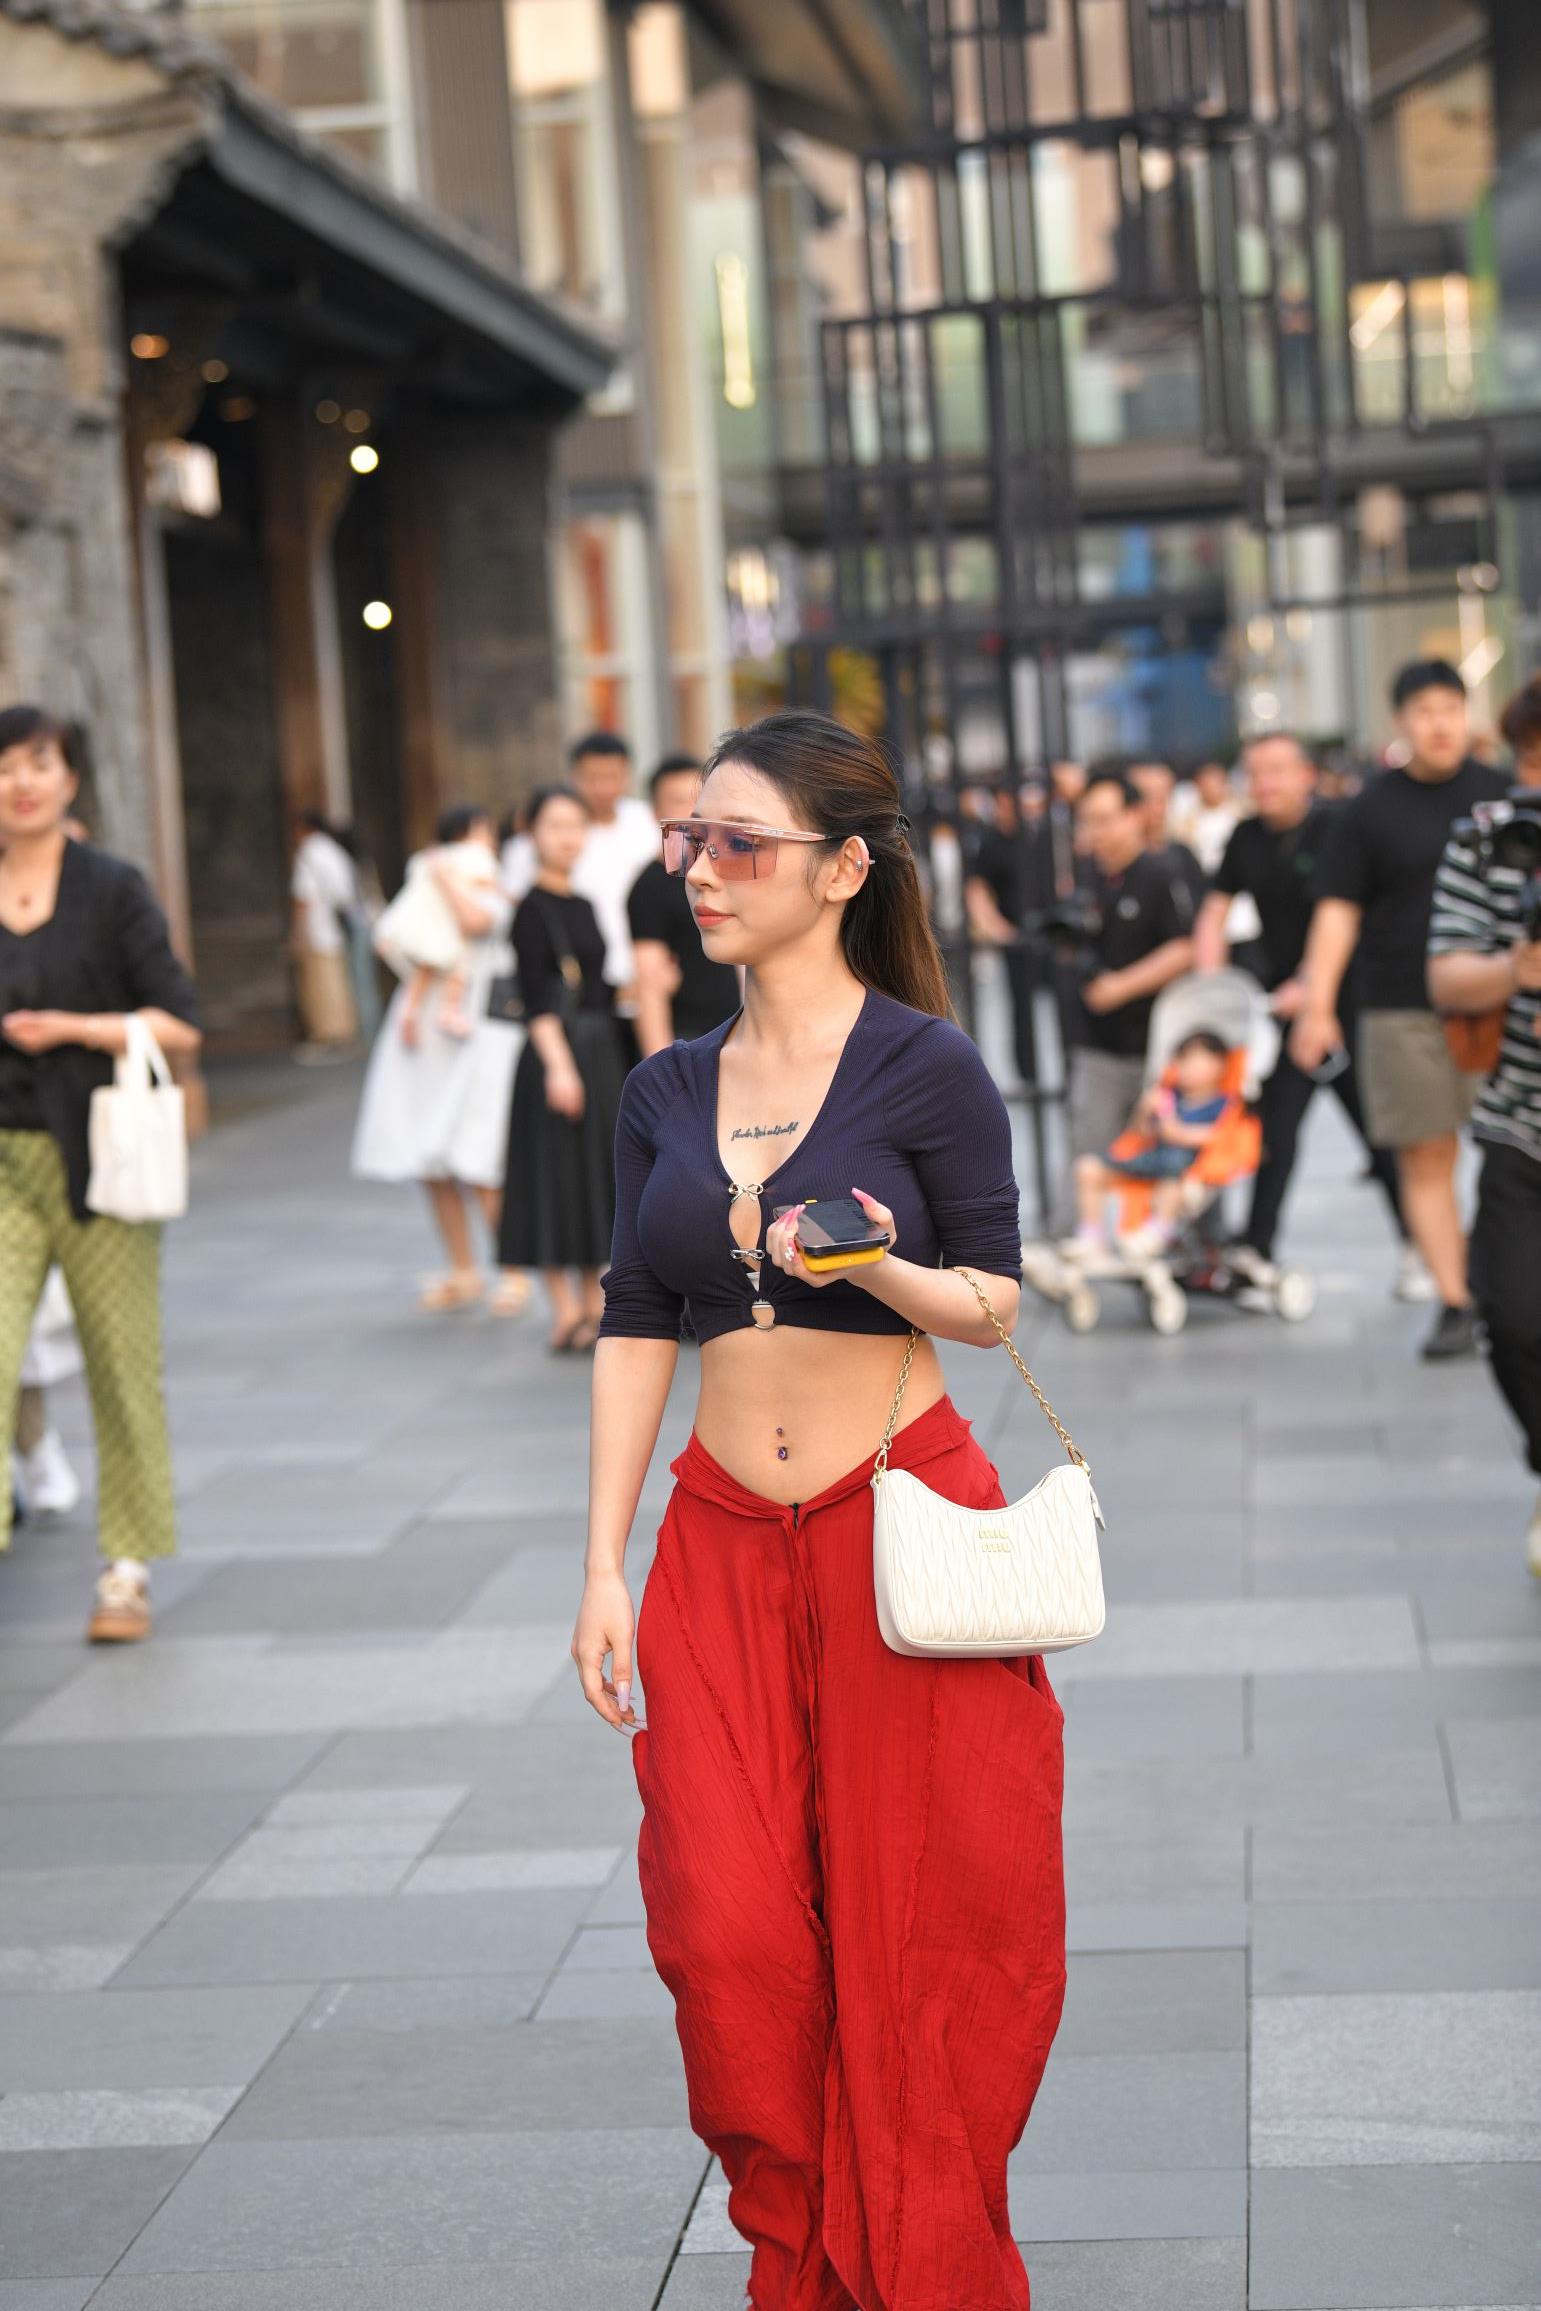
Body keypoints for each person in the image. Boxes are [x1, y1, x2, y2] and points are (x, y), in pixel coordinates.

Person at [575, 708, 1063, 2311]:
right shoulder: (663, 1085)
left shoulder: (927, 1065)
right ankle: (801, 2259)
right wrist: (602, 1561)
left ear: (843, 867)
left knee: (924, 1937)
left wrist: (878, 1264)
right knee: (724, 1933)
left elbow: (991, 1300)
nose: (702, 869)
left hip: (899, 1534)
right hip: (714, 1544)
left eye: (741, 842)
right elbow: (636, 1313)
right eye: (690, 838)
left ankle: (920, 2269)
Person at [0, 704, 200, 1643]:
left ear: (69, 778)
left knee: (121, 1364)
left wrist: (75, 1030)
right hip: (4, 1160)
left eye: (39, 762)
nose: (22, 781)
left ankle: (126, 1567)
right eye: (5, 765)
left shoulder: (111, 887)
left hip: (101, 1159)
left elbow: (179, 1018)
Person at [1292, 660, 1508, 1359]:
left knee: (1515, 1154)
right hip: (1399, 1007)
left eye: (1450, 707)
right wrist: (1317, 1005)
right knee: (1425, 1155)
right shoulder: (1367, 810)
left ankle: (1506, 1282)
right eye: (1424, 710)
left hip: (1502, 1003)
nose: (1439, 723)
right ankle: (1456, 1298)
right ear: (1400, 722)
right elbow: (1337, 912)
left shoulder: (1503, 795)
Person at [1194, 733, 1417, 1293]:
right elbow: (1214, 913)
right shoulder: (1245, 836)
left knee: (1379, 1133)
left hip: (1348, 1004)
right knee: (1275, 1129)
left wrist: (1311, 987)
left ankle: (1418, 1246)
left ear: (1306, 775)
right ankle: (1257, 1250)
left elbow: (1345, 918)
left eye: (1276, 770)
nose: (1264, 783)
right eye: (1254, 772)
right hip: (1285, 1013)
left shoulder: (1337, 827)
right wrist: (1209, 985)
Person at [1427, 673, 1541, 1572]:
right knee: (1510, 1314)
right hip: (1517, 1124)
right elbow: (1447, 976)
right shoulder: (1490, 837)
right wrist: (1518, 968)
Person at [352, 806, 529, 1316]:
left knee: (477, 1153)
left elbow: (477, 921)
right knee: (428, 1156)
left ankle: (511, 1271)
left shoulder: (483, 880)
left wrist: (447, 878)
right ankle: (463, 1268)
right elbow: (404, 936)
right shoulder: (438, 875)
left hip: (473, 1026)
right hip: (426, 1022)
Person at [499, 787, 628, 1352]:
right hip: (558, 1053)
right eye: (554, 826)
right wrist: (559, 1068)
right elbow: (535, 1001)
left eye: (575, 825)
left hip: (598, 1049)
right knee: (551, 1175)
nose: (567, 837)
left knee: (593, 1173)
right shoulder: (530, 908)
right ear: (531, 833)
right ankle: (564, 1309)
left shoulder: (584, 902)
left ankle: (594, 1303)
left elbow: (599, 985)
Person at [1048, 767, 1197, 1241]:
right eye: (1088, 821)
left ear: (1136, 816)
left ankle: (1180, 1245)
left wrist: (1122, 986)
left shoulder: (1161, 872)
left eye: (1107, 819)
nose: (1098, 832)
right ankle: (1071, 1244)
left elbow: (1185, 949)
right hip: (1096, 1042)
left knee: (1170, 1150)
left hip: (1158, 1047)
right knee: (1087, 1145)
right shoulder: (1086, 876)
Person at [502, 732, 658, 1022]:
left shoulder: (645, 824)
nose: (603, 788)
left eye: (612, 776)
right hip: (573, 989)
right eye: (592, 777)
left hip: (638, 980)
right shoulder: (535, 849)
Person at [1071, 1028, 1232, 1260]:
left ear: (1219, 1066)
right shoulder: (1170, 1096)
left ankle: (1157, 1234)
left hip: (1186, 1173)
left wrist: (1175, 1129)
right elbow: (1140, 1135)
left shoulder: (1225, 1106)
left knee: (1175, 1175)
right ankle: (1091, 1236)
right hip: (1152, 1160)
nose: (1189, 1069)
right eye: (1184, 1061)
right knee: (1088, 1167)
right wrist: (1144, 1111)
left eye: (1198, 1062)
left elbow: (1221, 1138)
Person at [626, 754, 740, 1056]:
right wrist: (662, 1067)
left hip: (733, 1028)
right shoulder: (649, 887)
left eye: (700, 798)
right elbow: (649, 986)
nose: (692, 810)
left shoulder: (723, 870)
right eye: (678, 800)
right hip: (687, 1040)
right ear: (655, 812)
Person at [289, 810, 359, 1062]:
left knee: (319, 986)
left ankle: (327, 1036)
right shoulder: (334, 851)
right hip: (334, 927)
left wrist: (297, 931)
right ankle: (343, 1032)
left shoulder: (309, 853)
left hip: (316, 928)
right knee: (336, 982)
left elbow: (303, 896)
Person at [1130, 758, 1207, 909]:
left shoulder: (1182, 854)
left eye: (1163, 798)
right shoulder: (1120, 862)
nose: (1158, 808)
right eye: (1148, 798)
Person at [1171, 759, 1244, 876]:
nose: (1211, 788)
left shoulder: (1240, 814)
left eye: (1216, 783)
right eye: (1206, 783)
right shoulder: (1187, 821)